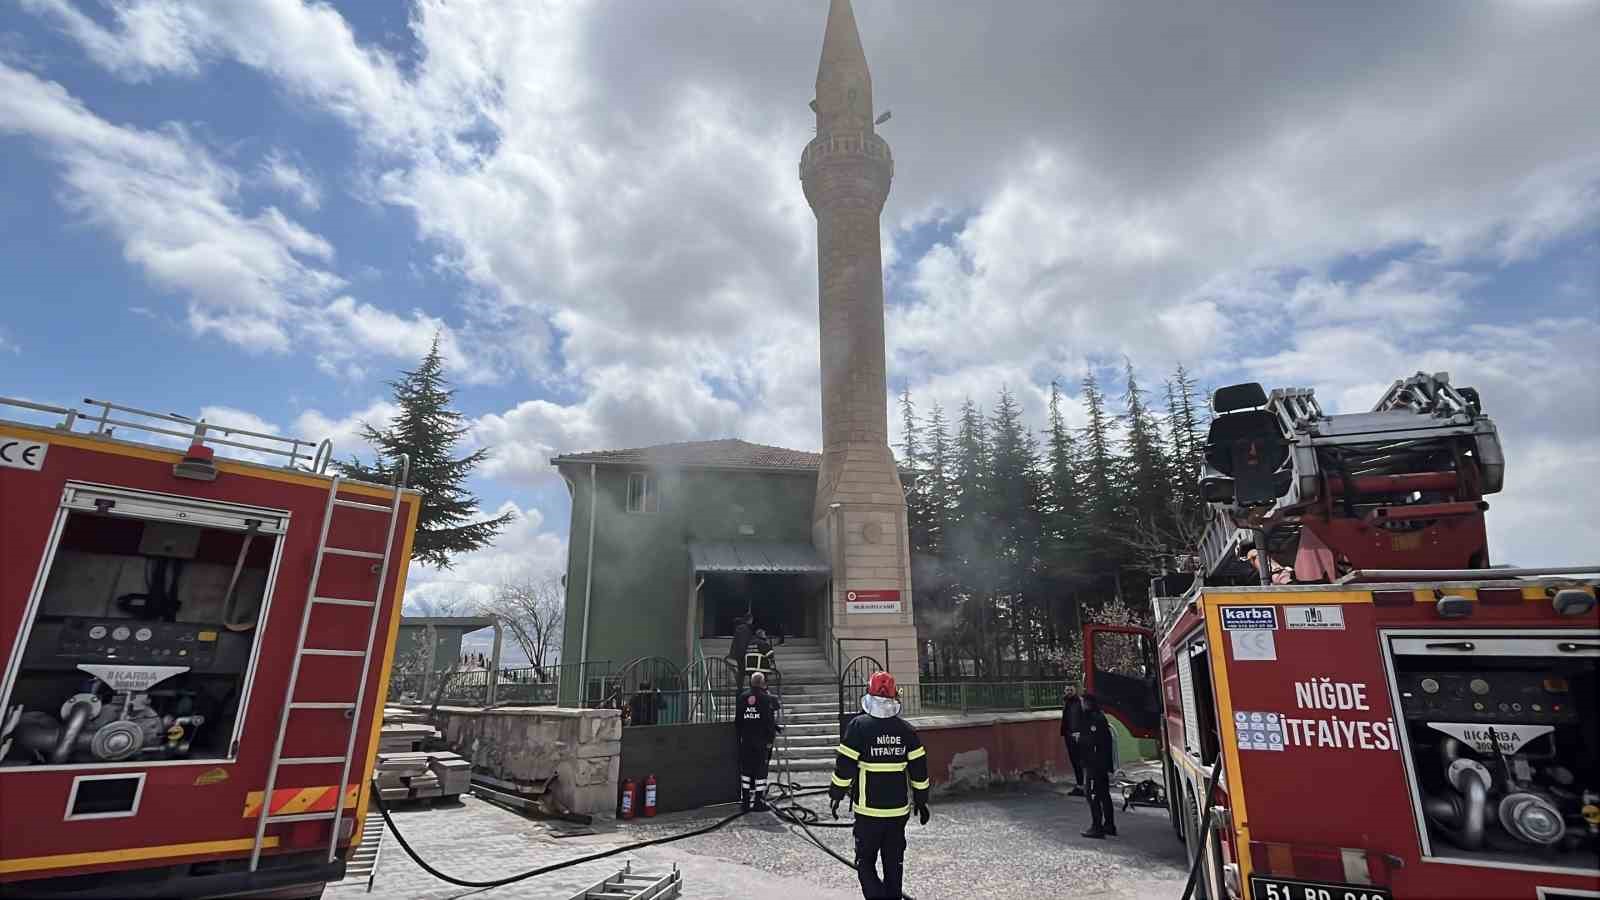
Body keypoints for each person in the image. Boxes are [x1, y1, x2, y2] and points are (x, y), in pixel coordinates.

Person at [829, 671, 930, 900]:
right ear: (895, 695)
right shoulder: (906, 730)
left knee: (865, 861)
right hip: (897, 811)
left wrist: (836, 794)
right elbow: (919, 770)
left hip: (868, 811)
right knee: (894, 863)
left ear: (869, 693)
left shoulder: (858, 726)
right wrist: (922, 801)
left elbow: (845, 766)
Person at [735, 671, 780, 812]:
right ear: (763, 683)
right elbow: (769, 721)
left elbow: (738, 721)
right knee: (761, 771)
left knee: (746, 771)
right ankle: (758, 802)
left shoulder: (742, 697)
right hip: (761, 742)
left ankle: (745, 801)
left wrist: (739, 738)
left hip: (746, 741)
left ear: (751, 682)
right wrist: (771, 738)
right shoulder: (767, 699)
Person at [1077, 691, 1117, 838]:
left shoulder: (1093, 718)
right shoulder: (1099, 716)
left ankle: (1097, 827)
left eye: (1082, 702)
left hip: (1095, 763)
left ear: (1087, 703)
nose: (1081, 705)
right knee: (1104, 794)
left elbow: (1094, 740)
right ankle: (1109, 825)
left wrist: (1079, 739)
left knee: (1093, 795)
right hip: (1101, 763)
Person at [1060, 687, 1085, 796]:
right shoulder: (1068, 702)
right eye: (1067, 690)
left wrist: (1078, 733)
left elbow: (1077, 719)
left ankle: (1082, 786)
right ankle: (1081, 785)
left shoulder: (1078, 702)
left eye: (1071, 690)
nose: (1069, 692)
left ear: (1075, 691)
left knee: (1078, 761)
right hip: (1070, 735)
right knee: (1075, 761)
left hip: (1076, 736)